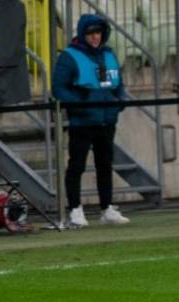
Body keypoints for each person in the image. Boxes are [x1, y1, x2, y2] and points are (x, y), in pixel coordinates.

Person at [52, 13, 130, 227]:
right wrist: (80, 106)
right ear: (82, 34)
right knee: (76, 165)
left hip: (107, 120)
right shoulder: (69, 56)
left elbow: (119, 84)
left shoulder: (109, 54)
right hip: (82, 122)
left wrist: (120, 100)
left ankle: (107, 208)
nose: (95, 37)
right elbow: (58, 88)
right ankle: (75, 209)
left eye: (98, 32)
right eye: (90, 33)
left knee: (105, 165)